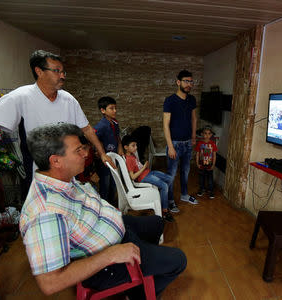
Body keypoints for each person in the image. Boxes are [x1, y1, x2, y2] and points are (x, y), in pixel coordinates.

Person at [20, 123, 186, 298]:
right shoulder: (44, 212)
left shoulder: (62, 178)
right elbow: (50, 283)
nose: (86, 154)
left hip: (112, 229)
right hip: (105, 264)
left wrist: (110, 214)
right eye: (79, 150)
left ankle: (143, 270)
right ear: (56, 161)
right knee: (179, 260)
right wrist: (109, 255)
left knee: (158, 223)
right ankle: (140, 293)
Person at [0, 50, 114, 201]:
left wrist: (102, 154)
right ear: (39, 71)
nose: (62, 76)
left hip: (68, 175)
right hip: (39, 178)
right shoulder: (21, 97)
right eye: (56, 71)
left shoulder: (68, 99)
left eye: (63, 72)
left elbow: (86, 128)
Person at [163, 70, 198, 212]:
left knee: (185, 171)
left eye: (191, 81)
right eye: (186, 81)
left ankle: (184, 194)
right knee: (171, 174)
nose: (189, 84)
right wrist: (170, 146)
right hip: (175, 144)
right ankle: (170, 200)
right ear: (178, 82)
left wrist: (194, 136)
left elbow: (193, 118)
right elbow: (165, 124)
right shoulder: (170, 100)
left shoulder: (192, 100)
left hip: (188, 142)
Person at [122, 135, 174, 222]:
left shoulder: (132, 155)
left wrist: (145, 167)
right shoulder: (129, 159)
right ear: (126, 147)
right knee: (164, 186)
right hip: (143, 177)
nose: (136, 147)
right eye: (133, 145)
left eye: (136, 145)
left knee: (169, 178)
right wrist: (144, 167)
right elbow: (133, 176)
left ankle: (163, 200)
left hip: (148, 173)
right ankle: (164, 211)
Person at [94, 96, 123, 206]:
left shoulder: (115, 123)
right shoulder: (101, 126)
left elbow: (117, 136)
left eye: (115, 108)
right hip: (105, 162)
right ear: (103, 110)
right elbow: (92, 138)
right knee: (105, 185)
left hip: (114, 158)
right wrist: (99, 151)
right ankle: (104, 206)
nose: (115, 111)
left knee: (114, 183)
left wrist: (120, 146)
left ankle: (112, 205)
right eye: (111, 108)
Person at [195, 126, 218, 199]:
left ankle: (211, 191)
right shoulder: (199, 143)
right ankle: (202, 189)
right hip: (201, 164)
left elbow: (214, 155)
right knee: (201, 178)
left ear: (211, 135)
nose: (207, 135)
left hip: (210, 165)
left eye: (209, 134)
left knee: (210, 179)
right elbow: (198, 154)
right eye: (205, 133)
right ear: (202, 134)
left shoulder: (213, 144)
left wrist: (213, 164)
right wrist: (197, 163)